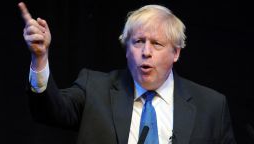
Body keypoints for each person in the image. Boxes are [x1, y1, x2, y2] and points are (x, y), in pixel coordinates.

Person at [18, 2, 236, 144]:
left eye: (157, 44)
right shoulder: (95, 88)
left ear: (176, 53)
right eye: (139, 42)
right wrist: (40, 58)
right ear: (126, 48)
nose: (146, 52)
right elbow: (48, 111)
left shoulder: (211, 106)